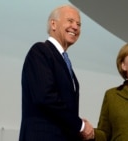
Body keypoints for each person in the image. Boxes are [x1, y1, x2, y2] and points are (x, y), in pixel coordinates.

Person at [19, 4, 94, 141]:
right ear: (53, 24)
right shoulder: (40, 51)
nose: (75, 27)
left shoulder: (64, 60)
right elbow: (45, 97)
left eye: (78, 24)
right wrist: (81, 126)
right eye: (70, 21)